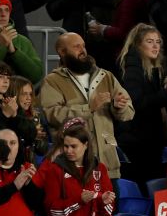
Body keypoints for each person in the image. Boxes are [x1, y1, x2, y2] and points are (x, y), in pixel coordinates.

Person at [39, 33, 135, 180]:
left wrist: (118, 107)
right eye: (76, 47)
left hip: (107, 166)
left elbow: (129, 112)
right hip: (74, 167)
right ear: (62, 52)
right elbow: (52, 114)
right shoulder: (53, 81)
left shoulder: (106, 76)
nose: (83, 50)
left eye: (83, 46)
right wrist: (88, 108)